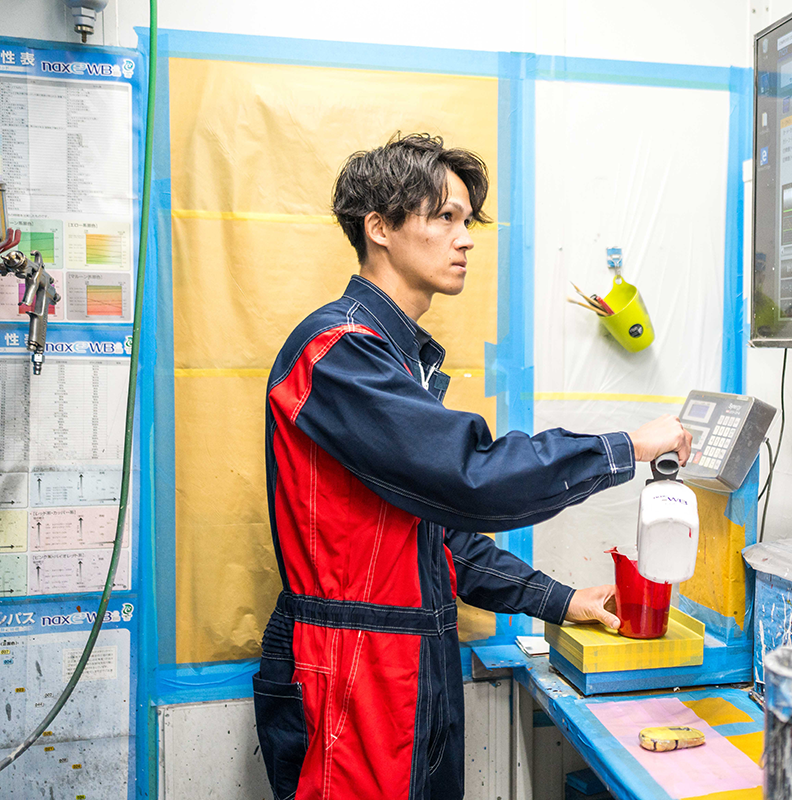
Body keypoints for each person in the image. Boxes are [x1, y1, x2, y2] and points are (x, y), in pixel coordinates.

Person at [253, 132, 691, 800]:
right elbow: (474, 476)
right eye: (445, 217)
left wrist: (561, 600)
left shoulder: (394, 360)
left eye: (467, 221)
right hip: (351, 668)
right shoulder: (339, 353)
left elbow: (439, 541)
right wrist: (624, 447)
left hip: (408, 661)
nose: (466, 240)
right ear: (379, 228)